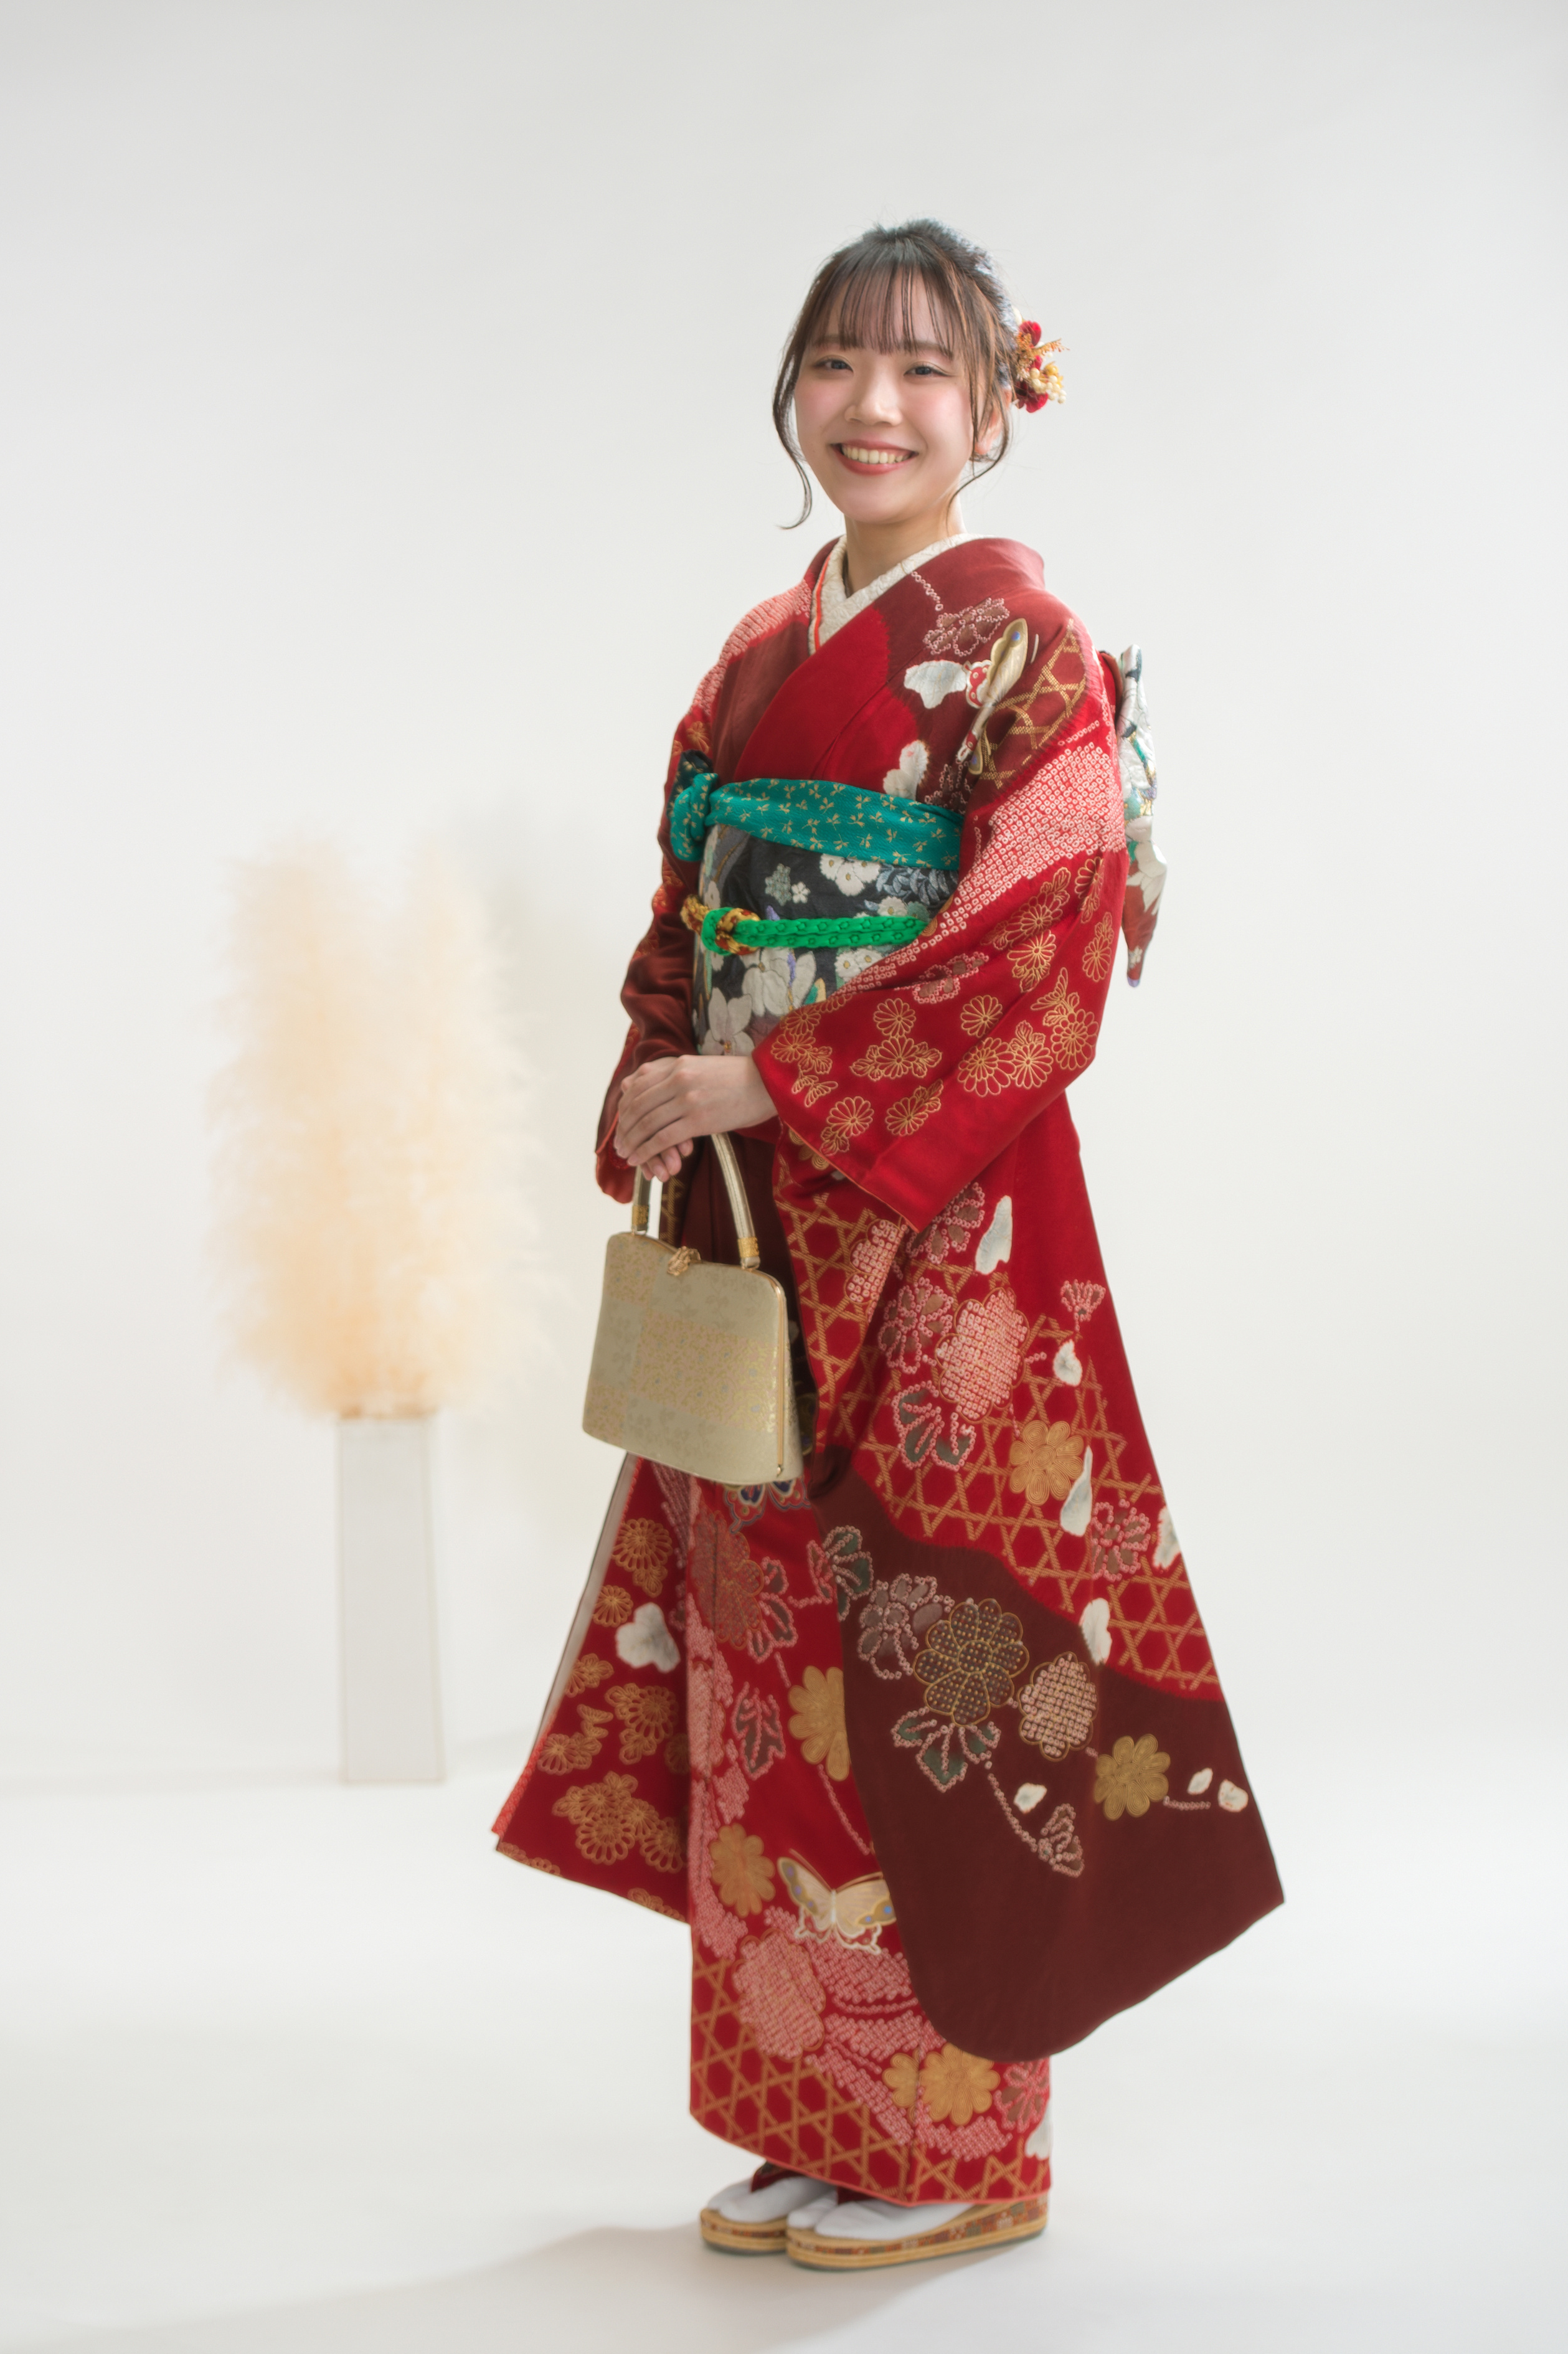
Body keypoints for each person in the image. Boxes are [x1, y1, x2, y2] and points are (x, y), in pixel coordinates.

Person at [495, 219, 1281, 2274]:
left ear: (997, 408)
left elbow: (1040, 929)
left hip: (944, 1214)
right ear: (792, 390)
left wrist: (771, 1079)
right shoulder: (757, 650)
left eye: (925, 369)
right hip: (756, 1203)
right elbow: (690, 897)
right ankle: (811, 2110)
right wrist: (664, 1072)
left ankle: (957, 2135)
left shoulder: (1030, 652)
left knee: (935, 1641)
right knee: (766, 1636)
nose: (874, 406)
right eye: (838, 361)